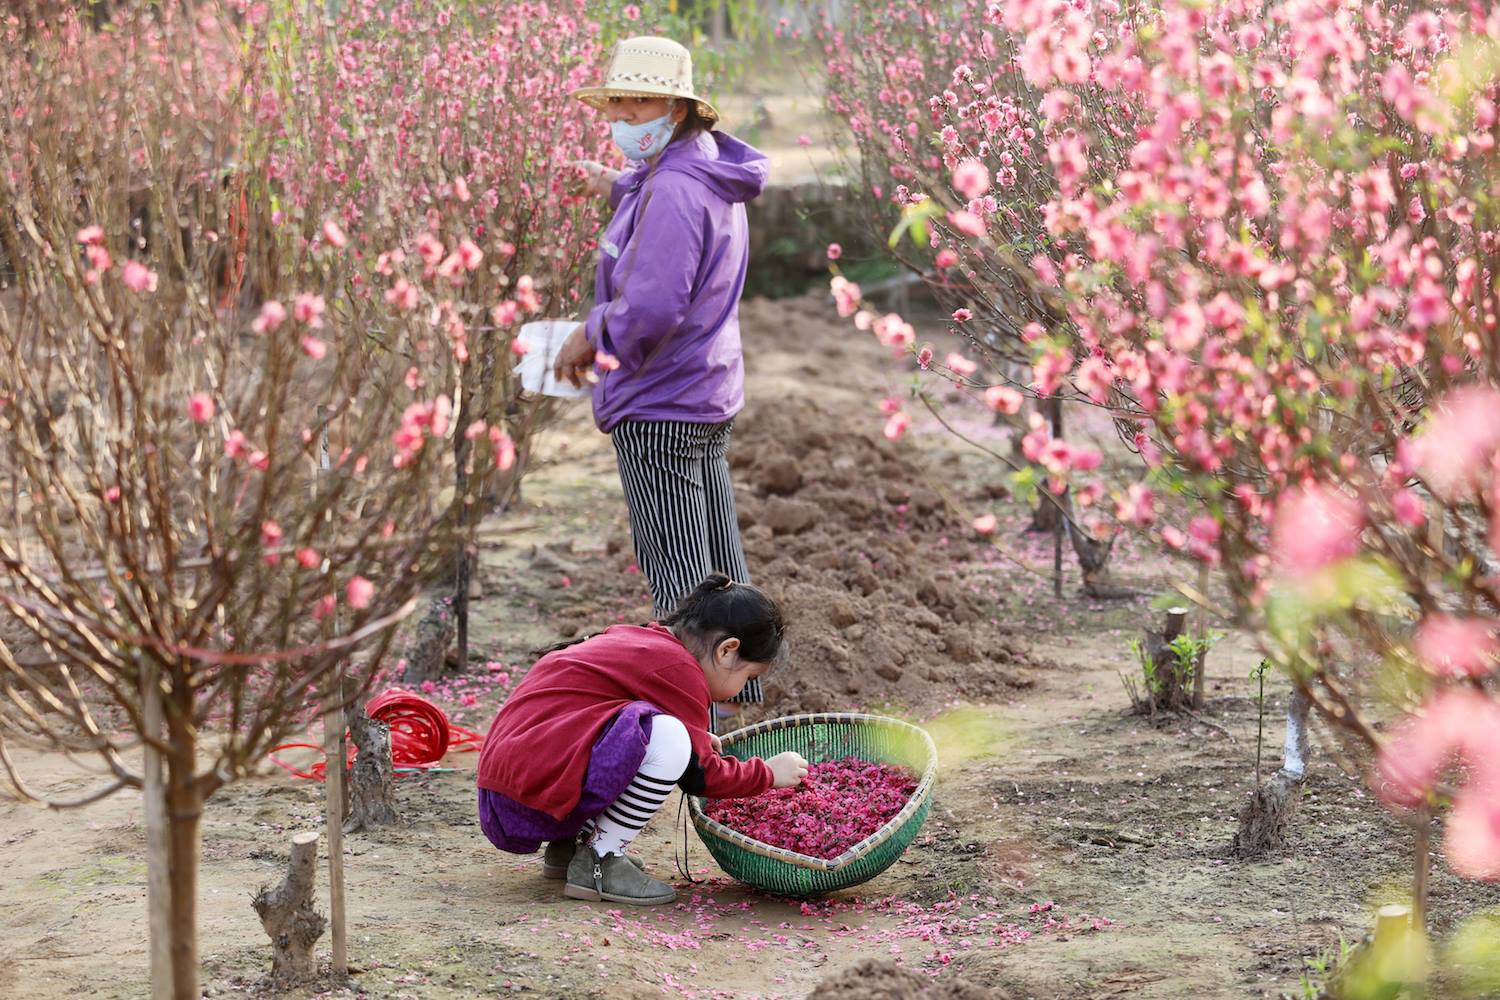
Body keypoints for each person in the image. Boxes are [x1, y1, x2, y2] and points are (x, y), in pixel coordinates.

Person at [555, 36, 771, 708]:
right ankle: (748, 710)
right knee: (720, 571)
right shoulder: (700, 165)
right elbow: (668, 204)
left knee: (686, 591)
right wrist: (614, 184)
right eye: (617, 100)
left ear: (676, 108)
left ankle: (709, 731)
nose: (624, 113)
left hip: (662, 401)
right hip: (701, 390)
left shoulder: (674, 186)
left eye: (639, 100)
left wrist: (587, 336)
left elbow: (651, 304)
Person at [475, 575, 808, 905]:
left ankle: (571, 848)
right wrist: (767, 773)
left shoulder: (648, 642)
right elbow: (701, 775)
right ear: (727, 650)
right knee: (672, 740)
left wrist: (696, 738)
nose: (742, 687)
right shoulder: (681, 671)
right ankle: (600, 861)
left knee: (669, 735)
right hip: (525, 800)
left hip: (511, 790)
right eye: (748, 676)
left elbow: (597, 716)